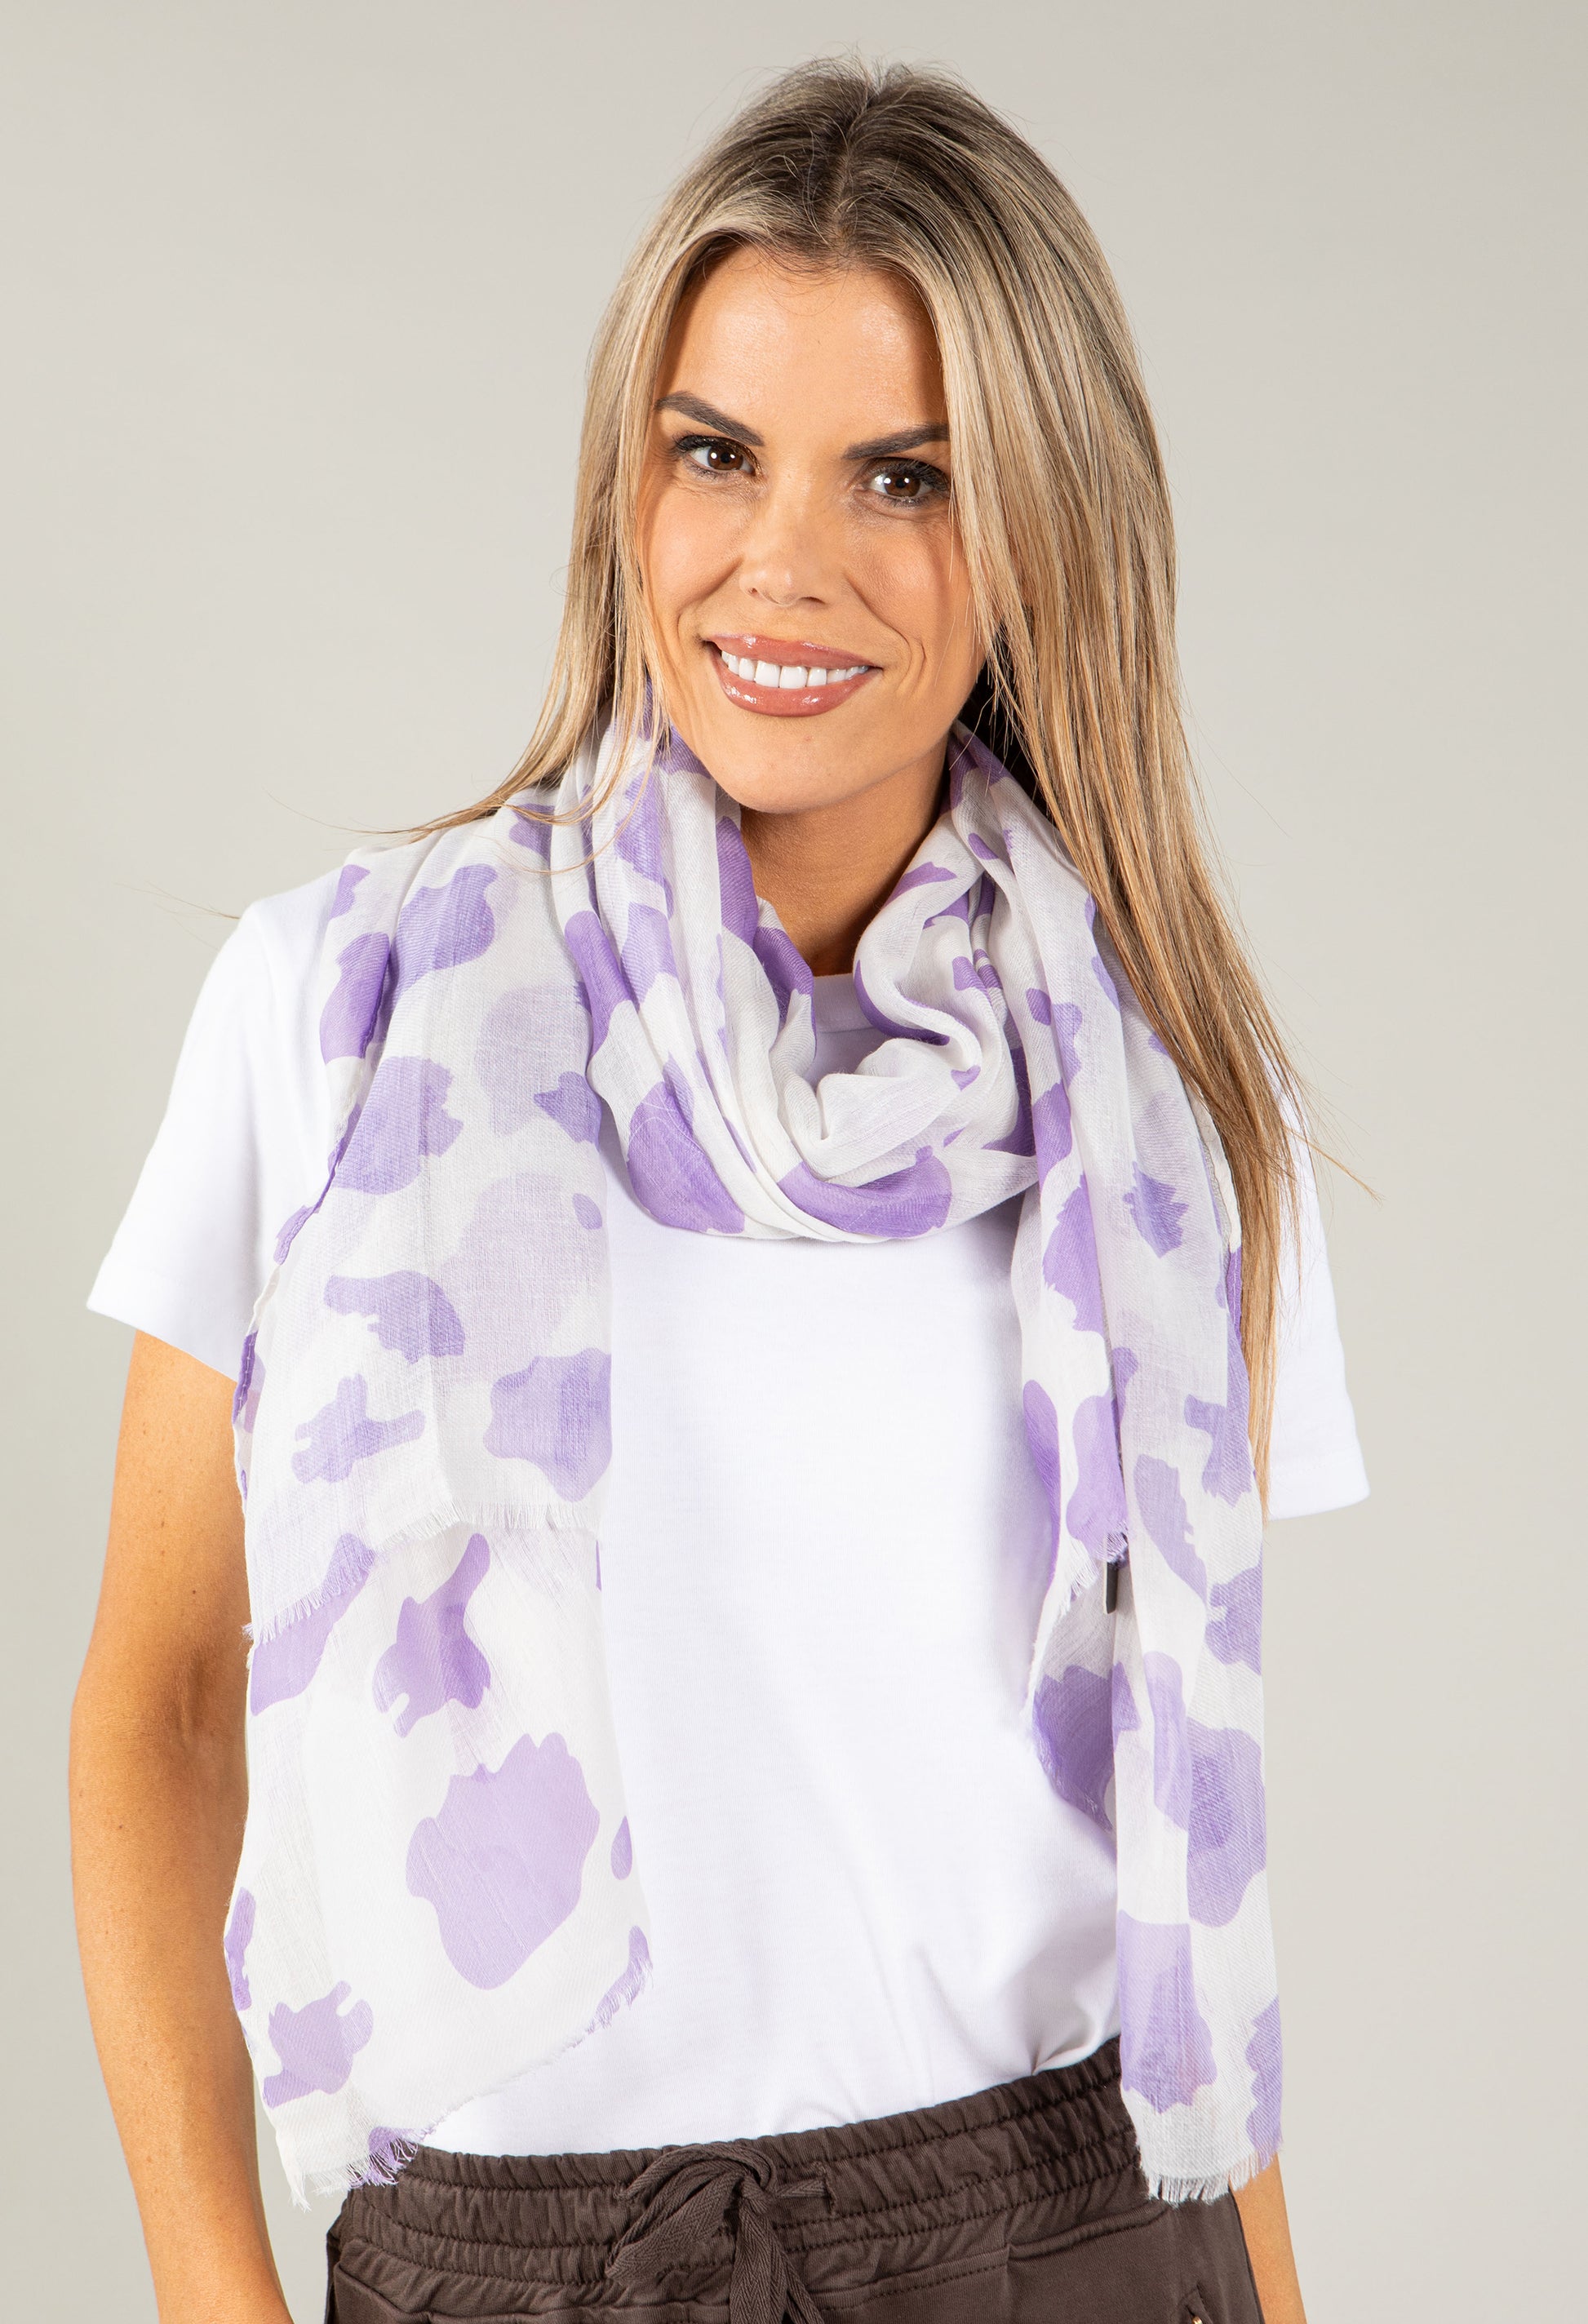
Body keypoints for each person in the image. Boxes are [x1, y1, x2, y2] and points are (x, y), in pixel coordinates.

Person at [72, 56, 1367, 2324]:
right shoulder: (334, 1017)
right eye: (715, 453)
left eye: (906, 477)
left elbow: (1187, 1851)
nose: (785, 560)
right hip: (512, 2266)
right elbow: (162, 1706)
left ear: (1042, 532)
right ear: (626, 485)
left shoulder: (1162, 1119)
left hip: (1060, 2238)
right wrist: (209, 2289)